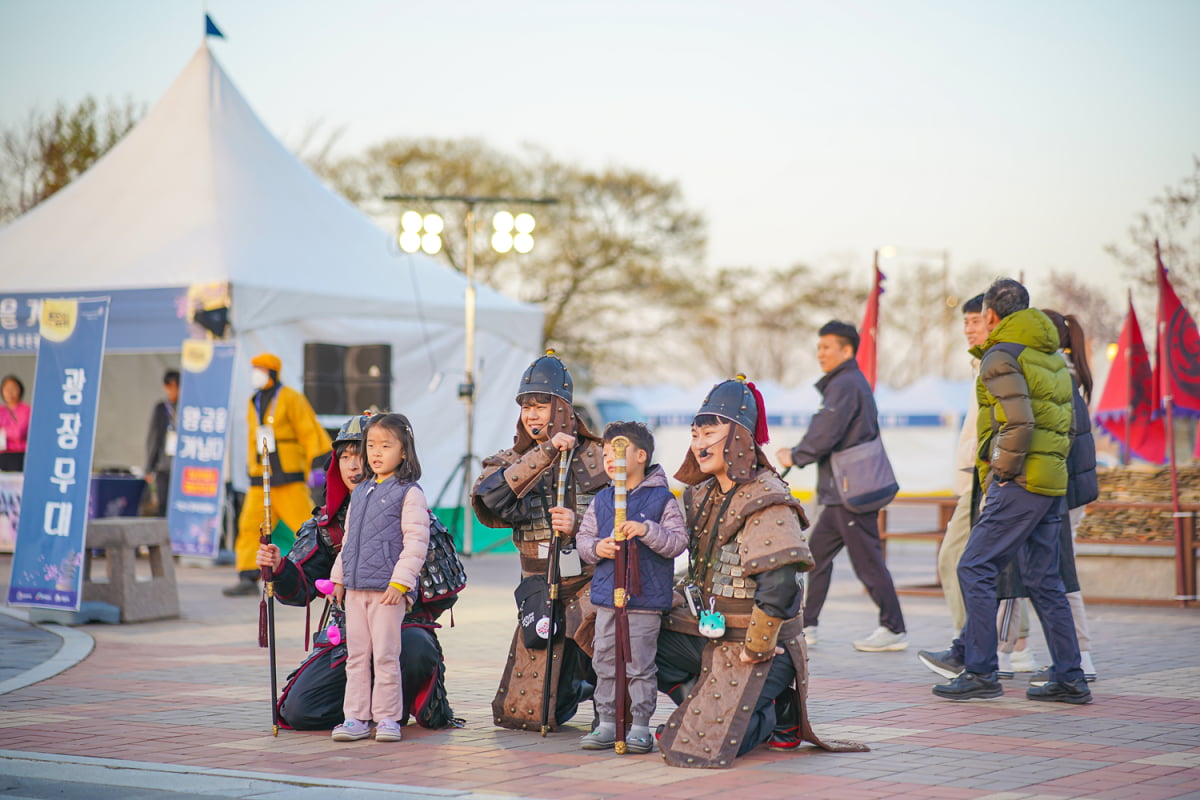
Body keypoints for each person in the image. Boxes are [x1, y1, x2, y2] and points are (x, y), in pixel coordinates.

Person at [656, 376, 867, 768]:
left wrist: (757, 647)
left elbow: (781, 584)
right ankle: (722, 703)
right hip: (707, 636)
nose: (699, 443)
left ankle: (771, 713)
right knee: (635, 633)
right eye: (695, 433)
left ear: (738, 435)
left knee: (690, 747)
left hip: (761, 649)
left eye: (710, 431)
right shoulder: (701, 493)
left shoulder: (767, 496)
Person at [918, 278, 1091, 705]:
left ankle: (979, 671)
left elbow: (1018, 422)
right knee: (1042, 578)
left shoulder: (1001, 355)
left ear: (993, 315)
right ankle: (1070, 676)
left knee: (973, 566)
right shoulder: (1049, 354)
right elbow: (1065, 422)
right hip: (1050, 479)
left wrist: (1002, 472)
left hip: (1020, 481)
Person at [255, 413, 461, 731]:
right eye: (345, 456)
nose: (353, 465)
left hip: (401, 627)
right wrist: (279, 567)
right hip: (348, 633)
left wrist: (402, 590)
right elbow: (303, 589)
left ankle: (390, 714)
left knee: (414, 648)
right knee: (300, 710)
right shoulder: (325, 525)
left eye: (360, 453)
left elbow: (445, 592)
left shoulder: (412, 504)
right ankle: (357, 715)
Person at [472, 350, 609, 731]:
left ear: (563, 407)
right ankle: (574, 687)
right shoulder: (507, 461)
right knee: (525, 716)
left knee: (603, 641)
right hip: (538, 590)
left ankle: (607, 702)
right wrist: (546, 452)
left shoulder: (600, 455)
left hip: (589, 583)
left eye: (541, 405)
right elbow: (492, 500)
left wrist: (581, 524)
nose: (532, 414)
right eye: (526, 406)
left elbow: (626, 517)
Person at [776, 320, 908, 652]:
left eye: (827, 347)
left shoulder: (845, 384)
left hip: (852, 491)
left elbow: (826, 431)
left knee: (868, 562)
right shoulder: (846, 382)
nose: (820, 353)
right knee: (814, 557)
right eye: (818, 347)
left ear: (846, 350)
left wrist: (795, 454)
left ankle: (893, 629)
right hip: (841, 493)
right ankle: (807, 625)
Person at [574, 421, 688, 755]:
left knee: (640, 663)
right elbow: (583, 540)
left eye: (617, 452)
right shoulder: (602, 500)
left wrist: (646, 530)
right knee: (605, 659)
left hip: (645, 597)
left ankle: (640, 724)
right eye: (605, 453)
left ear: (640, 455)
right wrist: (598, 549)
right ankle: (607, 722)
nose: (608, 459)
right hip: (609, 595)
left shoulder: (661, 499)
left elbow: (678, 542)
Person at [329, 413, 431, 742]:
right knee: (357, 656)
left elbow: (417, 541)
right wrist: (339, 579)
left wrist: (400, 583)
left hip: (388, 591)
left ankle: (387, 718)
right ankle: (355, 718)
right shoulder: (359, 492)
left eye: (385, 446)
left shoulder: (409, 493)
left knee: (386, 655)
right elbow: (349, 541)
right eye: (371, 445)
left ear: (404, 452)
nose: (375, 453)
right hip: (356, 591)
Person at [225, 352, 331, 597]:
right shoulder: (254, 401)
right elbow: (253, 437)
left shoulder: (291, 398)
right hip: (260, 478)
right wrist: (251, 468)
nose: (255, 374)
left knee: (306, 525)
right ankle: (247, 574)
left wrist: (318, 463)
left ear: (271, 372)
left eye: (260, 369)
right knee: (250, 526)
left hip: (288, 476)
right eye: (254, 368)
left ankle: (322, 570)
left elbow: (309, 430)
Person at [144, 369, 180, 516]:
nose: (172, 390)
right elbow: (154, 438)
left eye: (176, 386)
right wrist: (149, 467)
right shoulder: (161, 408)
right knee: (163, 505)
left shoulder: (187, 408)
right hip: (163, 466)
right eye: (169, 386)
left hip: (181, 468)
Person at [0, 375, 31, 472]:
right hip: (2, 454)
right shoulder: (1, 410)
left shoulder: (26, 410)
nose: (10, 392)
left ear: (20, 390)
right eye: (6, 389)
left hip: (19, 454)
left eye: (13, 388)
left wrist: (3, 431)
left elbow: (19, 433)